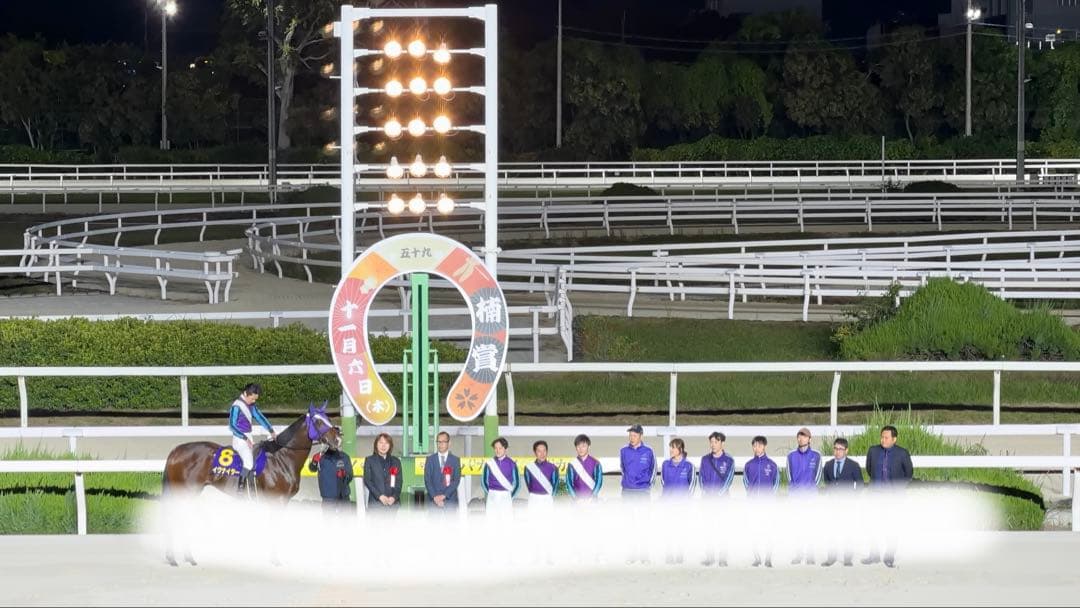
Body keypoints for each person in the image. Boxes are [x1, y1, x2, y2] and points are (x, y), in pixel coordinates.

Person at [863, 425, 913, 568]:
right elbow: (869, 469)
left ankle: (889, 556)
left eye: (886, 437)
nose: (883, 439)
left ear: (894, 439)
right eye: (882, 436)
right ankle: (874, 555)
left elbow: (908, 473)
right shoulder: (873, 451)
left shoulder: (902, 453)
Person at [227, 383, 276, 494]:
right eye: (253, 398)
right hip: (239, 439)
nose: (254, 401)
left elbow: (259, 417)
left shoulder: (251, 405)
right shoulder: (236, 406)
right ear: (246, 394)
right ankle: (240, 489)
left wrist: (271, 430)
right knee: (249, 462)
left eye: (255, 399)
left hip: (249, 437)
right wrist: (245, 438)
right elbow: (232, 426)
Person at [821, 437, 863, 567]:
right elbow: (827, 481)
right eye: (835, 448)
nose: (837, 451)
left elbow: (860, 484)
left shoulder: (853, 465)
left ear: (846, 450)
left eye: (840, 449)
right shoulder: (828, 465)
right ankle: (831, 558)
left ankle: (847, 558)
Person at [786, 427, 823, 565]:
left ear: (809, 439)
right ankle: (799, 554)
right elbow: (789, 477)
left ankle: (810, 555)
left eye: (804, 436)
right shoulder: (791, 456)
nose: (801, 438)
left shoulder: (816, 455)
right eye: (799, 436)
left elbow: (818, 477)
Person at [619, 424, 655, 564]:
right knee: (629, 525)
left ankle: (644, 555)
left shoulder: (649, 451)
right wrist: (628, 483)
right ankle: (631, 555)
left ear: (641, 436)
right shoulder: (623, 451)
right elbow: (622, 468)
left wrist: (646, 486)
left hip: (643, 493)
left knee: (643, 524)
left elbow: (653, 471)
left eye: (634, 435)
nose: (631, 437)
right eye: (630, 435)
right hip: (627, 492)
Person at [699, 431, 735, 567]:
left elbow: (729, 480)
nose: (713, 445)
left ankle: (723, 558)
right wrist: (706, 493)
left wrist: (718, 494)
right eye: (711, 442)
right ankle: (710, 557)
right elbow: (701, 477)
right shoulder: (705, 459)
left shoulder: (729, 460)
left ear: (722, 443)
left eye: (716, 442)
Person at [743, 435, 779, 567]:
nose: (756, 448)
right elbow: (746, 482)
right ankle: (757, 558)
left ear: (764, 446)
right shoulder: (748, 465)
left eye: (759, 445)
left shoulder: (772, 465)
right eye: (754, 445)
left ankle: (768, 558)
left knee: (769, 531)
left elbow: (776, 484)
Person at [660, 438, 695, 564]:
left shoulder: (689, 466)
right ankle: (669, 555)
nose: (671, 450)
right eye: (670, 447)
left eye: (673, 447)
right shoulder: (665, 465)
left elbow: (692, 486)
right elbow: (663, 482)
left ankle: (680, 555)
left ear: (680, 449)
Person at [308, 444, 354, 515]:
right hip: (328, 497)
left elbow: (350, 475)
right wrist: (314, 462)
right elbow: (312, 469)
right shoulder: (321, 457)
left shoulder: (345, 457)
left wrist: (345, 475)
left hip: (344, 496)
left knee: (346, 522)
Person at [363, 433, 403, 513]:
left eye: (386, 443)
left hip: (393, 504)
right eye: (381, 443)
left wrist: (394, 497)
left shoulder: (396, 461)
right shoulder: (369, 460)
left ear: (390, 446)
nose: (383, 446)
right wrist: (379, 496)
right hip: (376, 504)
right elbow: (368, 481)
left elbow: (399, 482)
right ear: (376, 445)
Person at [424, 431, 461, 514]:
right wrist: (435, 497)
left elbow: (456, 480)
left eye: (443, 442)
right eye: (438, 442)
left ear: (449, 443)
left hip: (450, 499)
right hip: (433, 500)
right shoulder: (430, 460)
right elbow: (427, 480)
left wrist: (444, 496)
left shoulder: (455, 460)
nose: (440, 444)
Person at [481, 437, 519, 517]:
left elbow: (517, 483)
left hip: (506, 495)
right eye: (495, 448)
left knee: (506, 522)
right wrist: (491, 493)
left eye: (500, 448)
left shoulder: (512, 464)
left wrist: (509, 496)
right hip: (492, 495)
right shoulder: (489, 464)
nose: (497, 450)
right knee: (491, 521)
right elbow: (484, 481)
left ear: (505, 449)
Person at [565, 434, 603, 502]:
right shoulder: (571, 464)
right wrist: (575, 499)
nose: (580, 449)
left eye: (583, 446)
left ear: (589, 446)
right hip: (576, 503)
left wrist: (592, 497)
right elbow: (569, 483)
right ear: (575, 447)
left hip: (592, 502)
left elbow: (599, 482)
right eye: (578, 446)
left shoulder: (596, 463)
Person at [523, 440, 560, 509]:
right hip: (533, 499)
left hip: (548, 499)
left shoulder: (553, 468)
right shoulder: (528, 468)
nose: (542, 454)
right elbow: (529, 485)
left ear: (547, 452)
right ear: (535, 452)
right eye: (539, 451)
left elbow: (555, 486)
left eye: (544, 451)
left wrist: (549, 498)